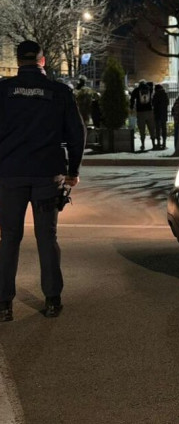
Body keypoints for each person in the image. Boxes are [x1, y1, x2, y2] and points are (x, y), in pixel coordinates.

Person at [0, 41, 85, 322]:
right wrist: (73, 170)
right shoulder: (59, 92)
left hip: (9, 174)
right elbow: (77, 134)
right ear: (43, 61)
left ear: (17, 61)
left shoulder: (3, 91)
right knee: (47, 237)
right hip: (48, 175)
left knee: (8, 238)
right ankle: (52, 300)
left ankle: (4, 305)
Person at [129, 80, 157, 151]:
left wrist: (131, 107)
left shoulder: (136, 90)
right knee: (151, 129)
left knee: (142, 130)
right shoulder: (149, 89)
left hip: (140, 112)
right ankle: (153, 144)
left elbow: (132, 99)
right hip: (149, 111)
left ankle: (143, 145)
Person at [152, 84, 169, 150]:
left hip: (157, 114)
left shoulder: (155, 95)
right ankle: (164, 143)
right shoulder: (165, 94)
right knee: (164, 129)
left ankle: (158, 143)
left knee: (158, 129)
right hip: (164, 114)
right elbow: (167, 103)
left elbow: (153, 103)